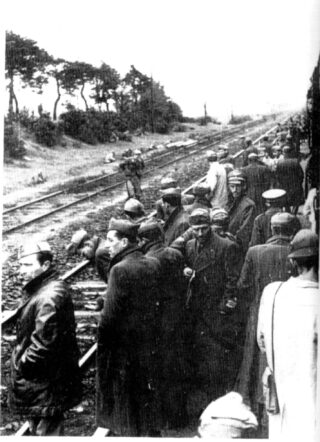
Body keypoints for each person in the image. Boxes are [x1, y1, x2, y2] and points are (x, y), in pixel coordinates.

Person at [96, 218, 162, 436]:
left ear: (124, 242)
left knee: (126, 404)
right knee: (145, 399)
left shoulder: (119, 270)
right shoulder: (153, 263)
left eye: (110, 240)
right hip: (149, 344)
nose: (107, 245)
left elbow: (108, 319)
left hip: (124, 350)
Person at [235, 213, 300, 434]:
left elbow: (242, 285)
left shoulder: (254, 252)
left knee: (255, 361)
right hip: (290, 314)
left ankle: (255, 408)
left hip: (259, 313)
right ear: (291, 231)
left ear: (271, 230)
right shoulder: (295, 252)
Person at [9, 241, 82, 436]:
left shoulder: (49, 296)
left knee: (47, 431)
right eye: (20, 265)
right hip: (43, 385)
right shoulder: (43, 290)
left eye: (27, 265)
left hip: (46, 385)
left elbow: (44, 345)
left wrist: (22, 364)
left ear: (46, 265)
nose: (20, 271)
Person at [257, 229, 319, 440]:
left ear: (293, 263)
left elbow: (262, 342)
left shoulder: (272, 293)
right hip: (312, 406)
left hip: (281, 401)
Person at [182, 209, 240, 422]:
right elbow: (190, 267)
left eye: (203, 228)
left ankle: (218, 408)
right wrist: (186, 271)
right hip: (196, 313)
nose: (199, 233)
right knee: (199, 361)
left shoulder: (226, 247)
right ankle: (205, 405)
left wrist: (225, 307)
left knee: (216, 363)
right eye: (195, 229)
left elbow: (233, 281)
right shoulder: (189, 247)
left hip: (215, 315)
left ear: (210, 226)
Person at [137, 221, 188, 429]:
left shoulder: (148, 260)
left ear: (144, 240)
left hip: (158, 323)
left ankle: (166, 418)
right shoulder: (175, 254)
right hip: (178, 318)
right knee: (178, 367)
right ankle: (180, 416)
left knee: (160, 371)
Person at [226, 169, 256, 257]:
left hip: (238, 248)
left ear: (244, 186)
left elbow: (244, 232)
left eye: (238, 186)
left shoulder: (249, 205)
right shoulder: (229, 203)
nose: (234, 190)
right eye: (232, 186)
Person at [275, 145, 304, 214]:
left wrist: (280, 183)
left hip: (284, 185)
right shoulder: (295, 161)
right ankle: (294, 214)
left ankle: (287, 212)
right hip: (295, 185)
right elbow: (301, 174)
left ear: (283, 153)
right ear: (290, 152)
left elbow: (277, 176)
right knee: (296, 201)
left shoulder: (279, 162)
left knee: (286, 201)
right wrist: (299, 182)